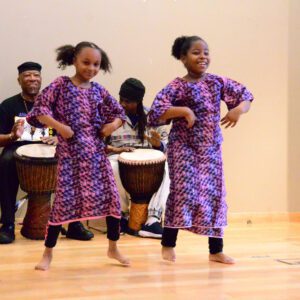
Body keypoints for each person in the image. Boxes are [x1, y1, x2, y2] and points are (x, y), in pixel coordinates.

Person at [148, 35, 253, 264]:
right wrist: (183, 111)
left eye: (206, 52)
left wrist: (238, 110)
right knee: (183, 193)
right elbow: (155, 113)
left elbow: (246, 96)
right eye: (196, 52)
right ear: (183, 58)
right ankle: (168, 244)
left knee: (215, 195)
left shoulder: (217, 82)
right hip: (183, 148)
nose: (202, 56)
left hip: (211, 149)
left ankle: (215, 250)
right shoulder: (177, 85)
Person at [27, 41, 130, 270]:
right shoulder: (60, 85)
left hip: (96, 155)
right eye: (86, 62)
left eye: (96, 64)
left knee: (111, 201)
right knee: (63, 204)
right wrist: (60, 127)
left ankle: (113, 248)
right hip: (70, 156)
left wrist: (111, 126)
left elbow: (120, 113)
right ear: (74, 60)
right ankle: (47, 253)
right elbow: (39, 112)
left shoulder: (98, 90)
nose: (91, 68)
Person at [0, 62, 94, 244]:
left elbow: (73, 130)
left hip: (53, 149)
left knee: (75, 162)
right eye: (27, 75)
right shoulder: (8, 105)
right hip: (18, 150)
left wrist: (59, 139)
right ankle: (8, 224)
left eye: (36, 75)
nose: (32, 79)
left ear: (41, 79)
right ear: (19, 80)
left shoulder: (55, 102)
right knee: (5, 162)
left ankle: (74, 224)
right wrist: (12, 136)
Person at [106, 78, 170, 238]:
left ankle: (153, 220)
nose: (122, 104)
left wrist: (157, 145)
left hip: (148, 162)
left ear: (139, 101)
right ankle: (120, 216)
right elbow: (98, 142)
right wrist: (116, 149)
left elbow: (167, 144)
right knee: (112, 166)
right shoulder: (112, 118)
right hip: (117, 156)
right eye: (121, 99)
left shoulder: (153, 117)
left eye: (128, 101)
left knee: (167, 168)